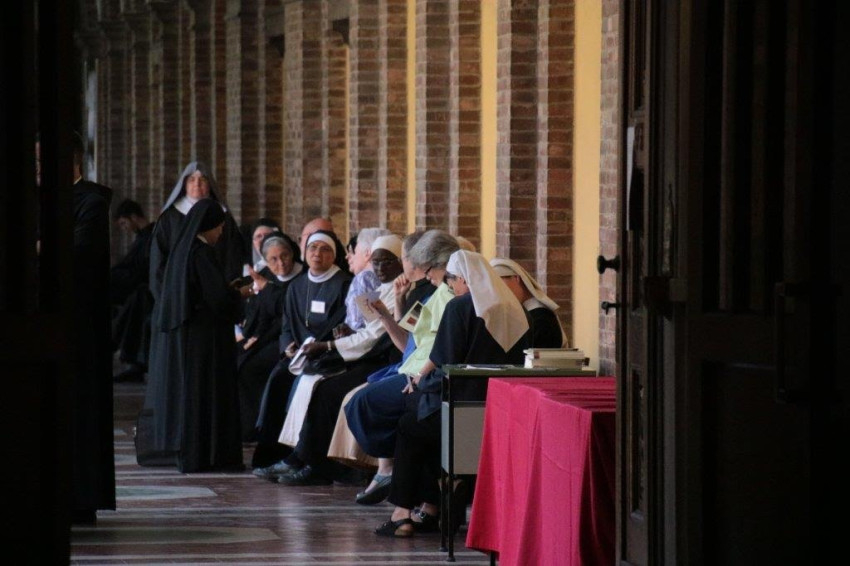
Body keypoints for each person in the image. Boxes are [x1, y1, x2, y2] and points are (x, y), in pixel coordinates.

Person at [374, 250, 531, 538]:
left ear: (464, 279)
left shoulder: (459, 307)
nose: (451, 286)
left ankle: (403, 513)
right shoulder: (512, 308)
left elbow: (442, 356)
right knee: (422, 423)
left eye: (452, 280)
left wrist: (419, 380)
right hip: (500, 407)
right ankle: (433, 503)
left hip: (458, 405)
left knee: (410, 425)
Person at [272, 234, 405, 486]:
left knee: (328, 391)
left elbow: (374, 336)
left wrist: (329, 345)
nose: (379, 268)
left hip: (383, 360)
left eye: (387, 262)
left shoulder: (399, 289)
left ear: (401, 262)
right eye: (375, 262)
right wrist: (347, 334)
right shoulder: (385, 288)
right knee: (307, 381)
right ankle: (301, 457)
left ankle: (321, 466)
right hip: (363, 353)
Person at [342, 230, 460, 505]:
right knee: (360, 402)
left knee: (366, 403)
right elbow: (408, 342)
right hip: (411, 368)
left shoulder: (442, 294)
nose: (420, 271)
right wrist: (391, 307)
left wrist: (420, 375)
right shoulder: (427, 293)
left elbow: (438, 348)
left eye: (407, 258)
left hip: (424, 373)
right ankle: (390, 469)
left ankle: (393, 472)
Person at [139, 162, 244, 466]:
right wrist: (234, 296)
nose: (198, 185)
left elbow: (229, 264)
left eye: (203, 180)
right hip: (200, 326)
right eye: (192, 180)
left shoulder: (207, 234)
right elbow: (162, 273)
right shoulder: (179, 228)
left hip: (192, 322)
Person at [250, 229, 352, 468]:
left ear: (333, 255)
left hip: (328, 354)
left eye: (325, 249)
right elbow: (286, 326)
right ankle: (273, 454)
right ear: (305, 253)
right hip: (299, 355)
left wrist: (319, 347)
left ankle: (302, 456)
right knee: (278, 378)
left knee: (306, 384)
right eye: (312, 248)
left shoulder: (344, 284)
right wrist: (287, 347)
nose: (317, 254)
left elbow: (346, 323)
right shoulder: (297, 285)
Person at [70, 131, 115, 524]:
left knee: (79, 413)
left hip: (79, 325)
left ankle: (80, 499)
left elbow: (81, 254)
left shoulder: (91, 201)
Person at [236, 231, 302, 441]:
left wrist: (268, 290)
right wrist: (252, 335)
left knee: (251, 368)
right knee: (235, 358)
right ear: (265, 260)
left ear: (292, 253)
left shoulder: (302, 275)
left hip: (290, 339)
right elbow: (258, 311)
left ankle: (259, 426)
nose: (281, 263)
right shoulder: (266, 275)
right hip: (265, 336)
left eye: (284, 256)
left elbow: (290, 312)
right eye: (273, 259)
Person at [110, 199, 154, 382]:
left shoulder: (151, 236)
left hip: (145, 290)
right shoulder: (142, 238)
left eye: (124, 223)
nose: (124, 228)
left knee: (136, 300)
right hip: (135, 287)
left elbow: (140, 269)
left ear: (133, 217)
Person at [490, 257, 567, 348]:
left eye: (500, 284)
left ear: (516, 278)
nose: (499, 291)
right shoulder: (522, 313)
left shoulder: (541, 317)